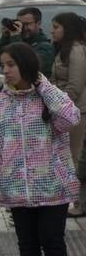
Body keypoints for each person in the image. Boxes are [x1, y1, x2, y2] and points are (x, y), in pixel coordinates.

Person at [0, 43, 81, 256]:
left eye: (11, 65)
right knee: (27, 245)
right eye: (2, 65)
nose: (5, 71)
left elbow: (71, 117)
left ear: (26, 66)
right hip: (16, 190)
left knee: (53, 241)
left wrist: (42, 85)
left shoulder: (48, 98)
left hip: (52, 187)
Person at [48, 12, 86, 217]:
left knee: (74, 157)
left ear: (67, 28)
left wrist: (59, 105)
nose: (52, 31)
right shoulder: (63, 49)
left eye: (56, 27)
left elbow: (75, 85)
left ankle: (76, 203)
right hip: (63, 110)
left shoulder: (76, 50)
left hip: (75, 111)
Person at [0, 6, 55, 74]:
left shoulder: (45, 47)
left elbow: (26, 68)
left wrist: (16, 37)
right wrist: (4, 38)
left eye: (27, 24)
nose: (23, 28)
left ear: (38, 24)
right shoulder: (14, 40)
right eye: (21, 24)